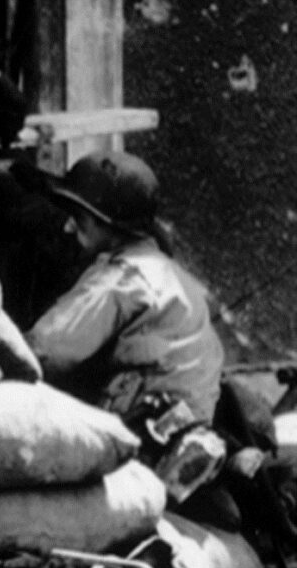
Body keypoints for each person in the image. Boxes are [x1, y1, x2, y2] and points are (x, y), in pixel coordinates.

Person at [27, 151, 225, 492]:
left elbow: (42, 353)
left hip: (141, 442)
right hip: (191, 427)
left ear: (110, 223)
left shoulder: (122, 279)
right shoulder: (172, 274)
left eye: (80, 217)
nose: (67, 225)